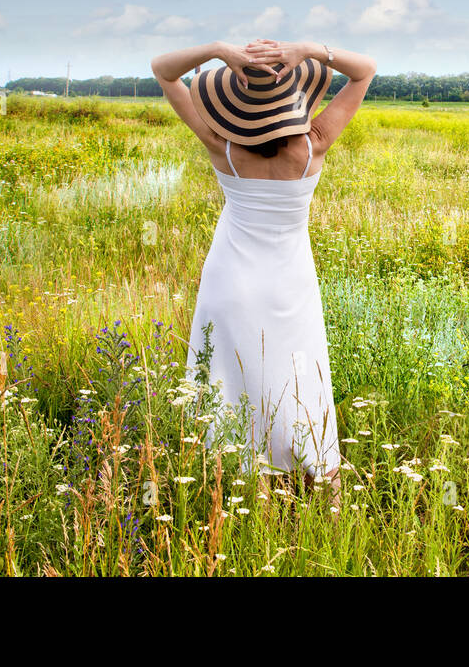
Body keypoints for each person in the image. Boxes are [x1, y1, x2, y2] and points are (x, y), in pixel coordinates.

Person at [150, 38, 376, 507]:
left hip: (229, 284)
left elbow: (163, 69)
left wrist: (217, 51)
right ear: (293, 97)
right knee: (303, 384)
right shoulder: (314, 144)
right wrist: (310, 51)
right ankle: (331, 505)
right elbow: (365, 70)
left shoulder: (221, 145)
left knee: (237, 384)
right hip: (290, 287)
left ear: (236, 104)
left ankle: (247, 495)